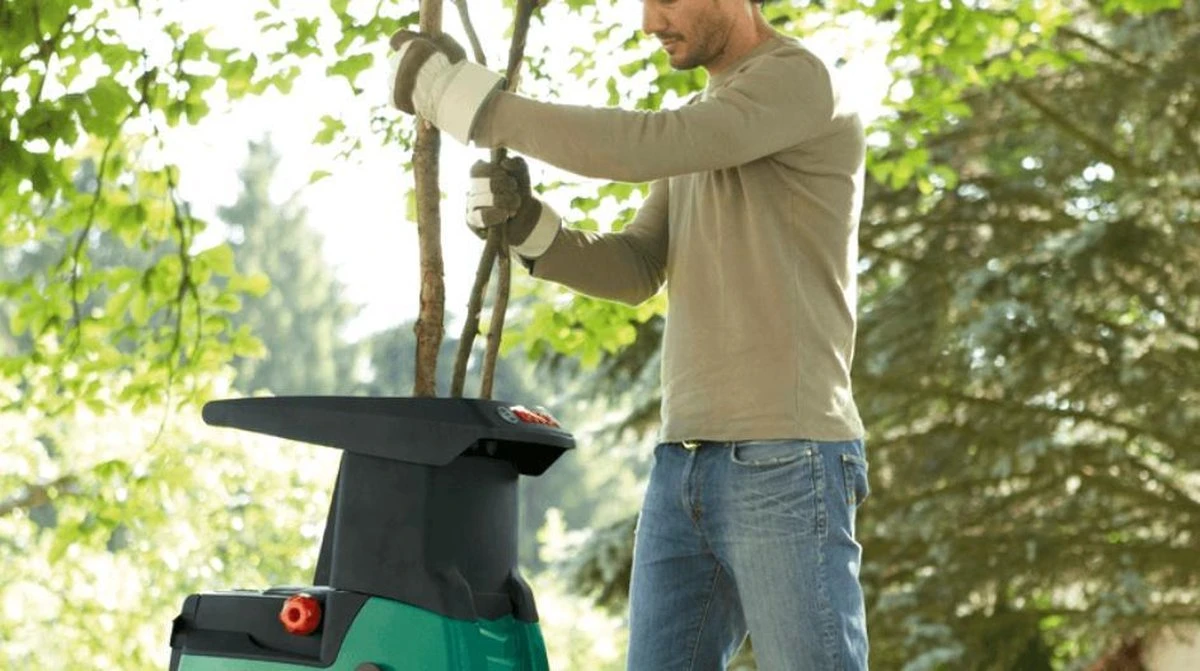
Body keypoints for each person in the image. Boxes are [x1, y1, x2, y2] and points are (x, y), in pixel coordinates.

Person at [388, 1, 871, 668]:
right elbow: (641, 265)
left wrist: (468, 103)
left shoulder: (797, 80)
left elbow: (645, 146)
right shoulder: (707, 119)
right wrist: (528, 227)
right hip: (683, 462)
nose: (649, 22)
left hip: (784, 458)